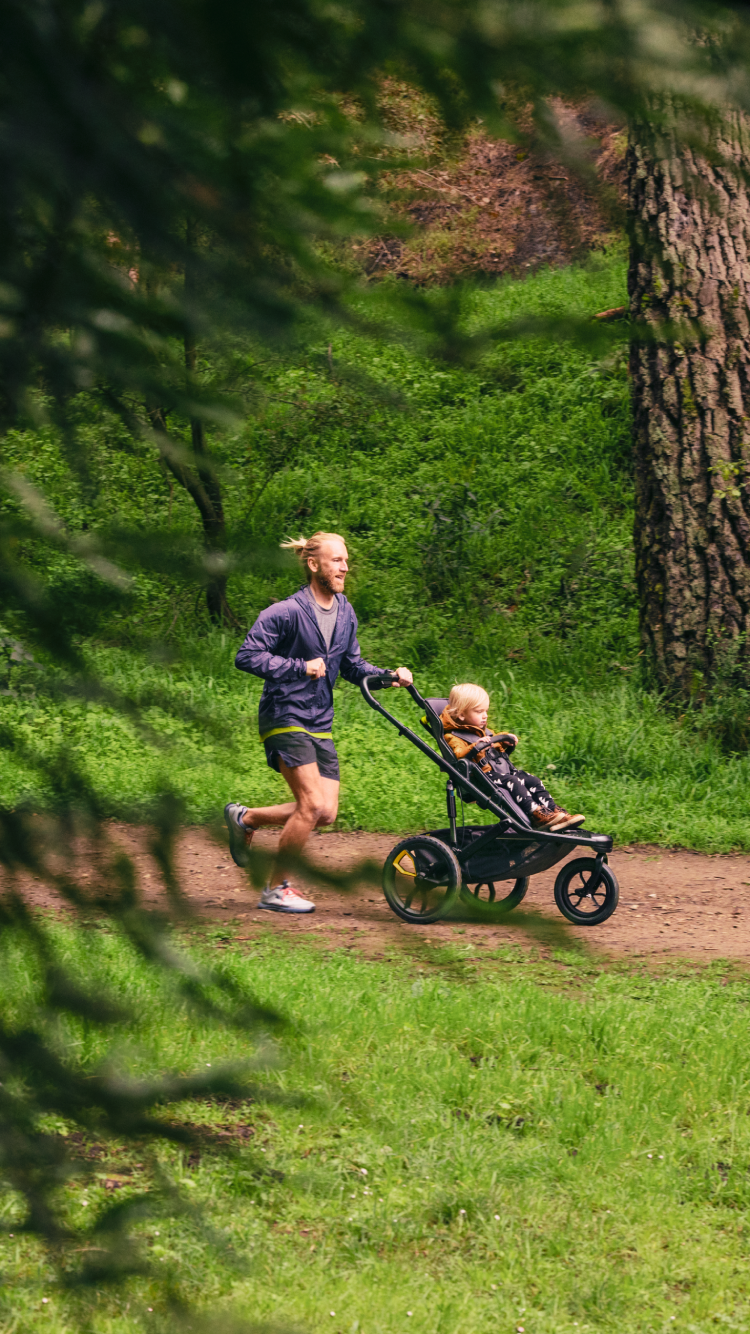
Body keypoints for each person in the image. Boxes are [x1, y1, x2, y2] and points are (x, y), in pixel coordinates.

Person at [224, 532, 413, 912]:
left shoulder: (345, 612)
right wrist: (298, 666)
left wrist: (387, 676)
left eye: (345, 560)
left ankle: (246, 819)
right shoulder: (286, 612)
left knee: (325, 812)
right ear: (314, 565)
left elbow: (351, 665)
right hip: (284, 714)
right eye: (336, 560)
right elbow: (246, 656)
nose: (344, 567)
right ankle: (277, 889)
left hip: (319, 720)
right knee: (309, 805)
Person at [439, 682, 585, 832]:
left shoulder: (482, 731)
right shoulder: (454, 736)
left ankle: (554, 812)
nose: (485, 715)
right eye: (479, 711)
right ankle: (536, 815)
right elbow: (458, 755)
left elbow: (496, 747)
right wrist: (475, 746)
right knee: (513, 781)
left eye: (486, 711)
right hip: (483, 777)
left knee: (532, 780)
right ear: (462, 715)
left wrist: (505, 742)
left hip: (500, 771)